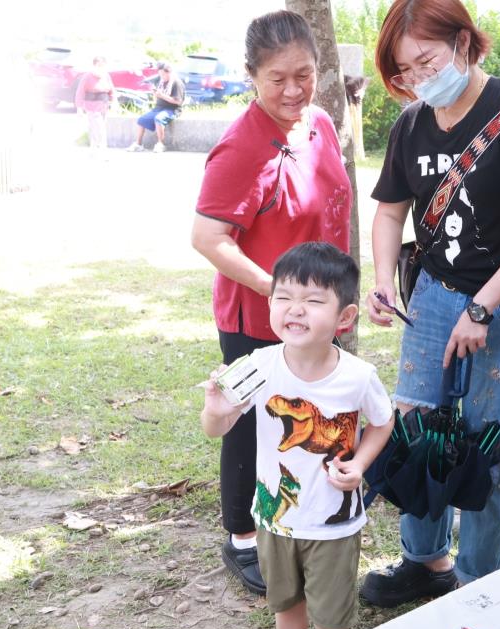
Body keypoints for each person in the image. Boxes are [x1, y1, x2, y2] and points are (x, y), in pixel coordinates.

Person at [360, 0, 500, 607]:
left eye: (428, 60)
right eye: (407, 72)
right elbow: (390, 210)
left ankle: (478, 585)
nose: (422, 80)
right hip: (432, 298)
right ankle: (426, 561)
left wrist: (483, 308)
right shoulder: (412, 123)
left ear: (465, 42)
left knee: (488, 449)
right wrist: (380, 279)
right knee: (416, 432)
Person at [190, 10, 353, 597]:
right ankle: (239, 536)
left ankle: (303, 516)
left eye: (303, 75)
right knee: (247, 421)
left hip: (317, 311)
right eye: (277, 78)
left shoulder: (321, 125)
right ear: (251, 76)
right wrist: (280, 296)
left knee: (303, 415)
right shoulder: (241, 148)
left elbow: (335, 205)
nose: (292, 90)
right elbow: (208, 239)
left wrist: (336, 296)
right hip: (259, 316)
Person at [201, 242, 394, 629]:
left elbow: (383, 421)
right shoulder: (257, 366)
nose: (295, 309)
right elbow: (217, 428)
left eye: (312, 300)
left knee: (332, 620)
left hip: (333, 525)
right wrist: (215, 411)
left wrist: (360, 464)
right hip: (274, 518)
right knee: (285, 604)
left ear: (344, 317)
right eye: (284, 297)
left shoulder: (358, 377)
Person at [126, 62, 185, 153]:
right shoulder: (160, 81)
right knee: (141, 120)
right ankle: (138, 144)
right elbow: (152, 87)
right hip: (158, 108)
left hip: (172, 109)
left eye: (163, 74)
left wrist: (162, 96)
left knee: (159, 118)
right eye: (160, 74)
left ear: (169, 73)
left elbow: (178, 101)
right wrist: (155, 93)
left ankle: (160, 144)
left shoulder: (176, 83)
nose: (161, 76)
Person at [74, 57, 116, 153]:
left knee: (97, 127)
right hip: (92, 106)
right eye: (99, 65)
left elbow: (111, 90)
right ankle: (103, 148)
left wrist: (113, 102)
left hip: (104, 105)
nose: (101, 67)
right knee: (99, 127)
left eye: (103, 66)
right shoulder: (87, 76)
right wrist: (79, 108)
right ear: (94, 66)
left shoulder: (106, 76)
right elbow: (80, 92)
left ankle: (93, 146)